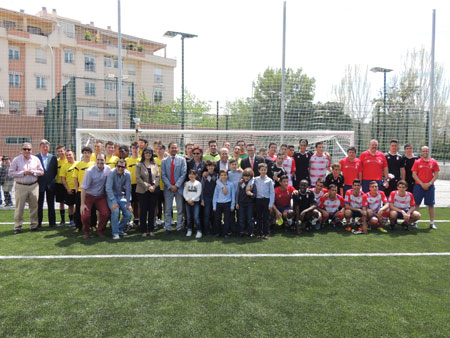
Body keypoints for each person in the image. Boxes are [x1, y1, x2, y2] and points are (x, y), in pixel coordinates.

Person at [9, 142, 44, 234]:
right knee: (19, 207)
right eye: (25, 149)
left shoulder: (36, 159)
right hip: (21, 186)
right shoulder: (16, 160)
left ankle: (34, 226)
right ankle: (17, 227)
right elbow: (11, 172)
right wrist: (23, 173)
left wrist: (33, 172)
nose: (27, 151)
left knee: (34, 207)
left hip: (33, 185)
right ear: (21, 150)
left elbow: (41, 171)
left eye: (29, 149)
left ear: (32, 150)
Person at [80, 153, 111, 239]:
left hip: (101, 196)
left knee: (106, 214)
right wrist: (82, 204)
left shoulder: (108, 169)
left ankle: (100, 230)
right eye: (98, 160)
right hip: (89, 196)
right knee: (85, 215)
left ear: (105, 160)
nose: (100, 162)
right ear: (95, 160)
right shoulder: (89, 171)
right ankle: (87, 231)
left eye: (102, 160)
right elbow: (83, 189)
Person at [161, 142, 187, 233]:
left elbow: (183, 173)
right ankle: (168, 227)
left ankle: (179, 227)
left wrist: (176, 185)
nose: (174, 149)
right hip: (168, 189)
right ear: (169, 149)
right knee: (168, 209)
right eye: (172, 148)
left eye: (175, 148)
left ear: (178, 149)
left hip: (179, 188)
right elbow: (163, 175)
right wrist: (170, 186)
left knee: (180, 209)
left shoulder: (182, 160)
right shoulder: (164, 161)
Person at [412, 146, 439, 230]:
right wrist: (422, 184)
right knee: (416, 204)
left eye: (426, 151)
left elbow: (436, 174)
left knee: (431, 205)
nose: (425, 152)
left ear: (428, 151)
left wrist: (429, 183)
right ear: (421, 152)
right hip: (419, 186)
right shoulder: (417, 162)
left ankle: (432, 223)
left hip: (430, 187)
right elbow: (414, 174)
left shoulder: (433, 162)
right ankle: (415, 222)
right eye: (423, 151)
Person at [135, 148, 160, 237]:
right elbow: (138, 178)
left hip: (153, 191)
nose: (148, 154)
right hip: (142, 191)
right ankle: (143, 231)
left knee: (152, 211)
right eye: (146, 152)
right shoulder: (139, 164)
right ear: (143, 154)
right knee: (143, 211)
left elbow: (157, 176)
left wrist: (153, 186)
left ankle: (151, 230)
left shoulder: (155, 164)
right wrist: (147, 186)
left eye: (150, 152)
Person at [106, 159, 132, 240]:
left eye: (122, 167)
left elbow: (128, 189)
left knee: (128, 213)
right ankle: (115, 233)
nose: (120, 168)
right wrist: (113, 201)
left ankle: (119, 229)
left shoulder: (128, 174)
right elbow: (108, 188)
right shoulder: (111, 173)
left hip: (121, 196)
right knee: (115, 210)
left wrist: (128, 204)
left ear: (125, 167)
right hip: (111, 196)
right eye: (119, 166)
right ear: (116, 166)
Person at [36, 139, 58, 228]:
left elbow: (55, 171)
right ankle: (38, 223)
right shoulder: (36, 157)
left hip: (50, 185)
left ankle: (52, 223)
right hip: (39, 184)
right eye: (43, 146)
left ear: (49, 147)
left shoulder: (53, 158)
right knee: (39, 205)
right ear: (40, 148)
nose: (45, 148)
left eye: (46, 146)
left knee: (51, 204)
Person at [73, 147, 95, 231]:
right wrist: (76, 189)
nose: (87, 154)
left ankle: (92, 225)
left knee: (92, 209)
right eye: (85, 152)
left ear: (91, 154)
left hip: (91, 191)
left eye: (88, 152)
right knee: (79, 209)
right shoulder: (78, 165)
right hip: (80, 191)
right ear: (83, 154)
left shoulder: (94, 164)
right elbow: (75, 178)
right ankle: (79, 225)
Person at [212, 169, 236, 239]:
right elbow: (215, 195)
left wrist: (232, 205)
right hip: (218, 203)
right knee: (217, 219)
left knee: (227, 219)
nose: (223, 176)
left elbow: (233, 196)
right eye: (221, 175)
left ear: (227, 176)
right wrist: (214, 206)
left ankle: (226, 233)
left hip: (227, 203)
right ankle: (218, 232)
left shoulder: (231, 184)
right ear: (219, 176)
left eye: (225, 175)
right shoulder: (218, 185)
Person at [253, 163, 275, 239]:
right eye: (261, 170)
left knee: (266, 217)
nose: (263, 171)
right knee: (258, 217)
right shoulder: (255, 179)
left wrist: (270, 204)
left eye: (265, 170)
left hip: (266, 200)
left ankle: (267, 233)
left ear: (267, 170)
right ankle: (259, 233)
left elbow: (272, 192)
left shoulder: (269, 180)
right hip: (258, 200)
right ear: (259, 170)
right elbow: (249, 183)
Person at [236, 168, 256, 238]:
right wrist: (237, 203)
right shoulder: (241, 182)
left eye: (248, 176)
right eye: (245, 176)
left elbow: (254, 195)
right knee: (241, 218)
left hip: (249, 204)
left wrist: (250, 194)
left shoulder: (252, 184)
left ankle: (251, 232)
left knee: (250, 219)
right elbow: (237, 193)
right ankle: (241, 231)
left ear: (251, 176)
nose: (246, 177)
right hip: (241, 203)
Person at [60, 150, 78, 227]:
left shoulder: (78, 164)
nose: (68, 156)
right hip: (70, 189)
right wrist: (67, 188)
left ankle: (78, 219)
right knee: (70, 205)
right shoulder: (64, 166)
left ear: (73, 155)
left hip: (78, 189)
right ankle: (71, 220)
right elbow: (63, 178)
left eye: (70, 154)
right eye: (67, 155)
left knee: (78, 205)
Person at [183, 169, 202, 238]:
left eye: (193, 174)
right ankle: (189, 230)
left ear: (196, 175)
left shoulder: (198, 183)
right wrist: (188, 200)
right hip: (187, 202)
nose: (191, 175)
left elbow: (198, 193)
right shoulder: (187, 183)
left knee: (196, 217)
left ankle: (199, 231)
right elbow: (184, 193)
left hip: (196, 202)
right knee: (188, 217)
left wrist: (192, 200)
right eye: (190, 174)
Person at [126, 142, 141, 229]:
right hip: (129, 185)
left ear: (139, 149)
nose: (135, 150)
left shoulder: (142, 160)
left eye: (136, 148)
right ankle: (128, 221)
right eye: (133, 148)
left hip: (140, 185)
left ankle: (137, 220)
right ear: (131, 149)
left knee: (139, 203)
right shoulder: (127, 160)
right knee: (130, 203)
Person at [201, 160, 218, 236]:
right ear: (206, 167)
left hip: (215, 198)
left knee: (215, 215)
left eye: (212, 166)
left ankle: (215, 230)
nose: (210, 167)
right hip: (206, 197)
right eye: (209, 166)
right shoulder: (204, 176)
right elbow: (202, 188)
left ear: (214, 166)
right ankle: (207, 231)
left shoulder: (217, 175)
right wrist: (202, 199)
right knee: (206, 214)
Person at [55, 145, 68, 226]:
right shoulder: (56, 161)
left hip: (68, 185)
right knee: (61, 202)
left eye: (62, 151)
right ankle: (62, 220)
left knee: (71, 203)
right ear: (57, 152)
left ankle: (72, 219)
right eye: (59, 151)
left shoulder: (68, 160)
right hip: (59, 184)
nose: (61, 152)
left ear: (65, 151)